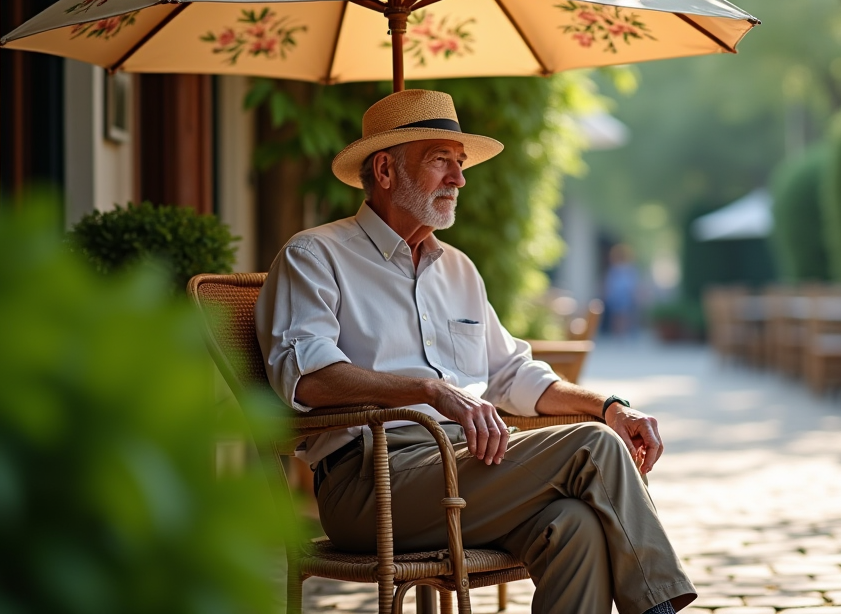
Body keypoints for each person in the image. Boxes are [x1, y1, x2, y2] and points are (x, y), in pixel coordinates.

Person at [256, 90, 696, 614]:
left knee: (572, 526)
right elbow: (308, 378)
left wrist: (610, 407)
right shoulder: (315, 255)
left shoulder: (459, 269)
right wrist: (429, 390)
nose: (459, 179)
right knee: (596, 446)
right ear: (385, 170)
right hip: (370, 485)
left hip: (467, 466)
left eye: (460, 164)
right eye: (441, 161)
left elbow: (513, 373)